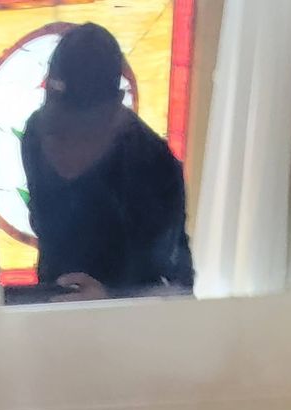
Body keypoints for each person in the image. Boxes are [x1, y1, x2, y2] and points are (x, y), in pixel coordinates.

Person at [19, 23, 194, 302]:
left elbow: (176, 284)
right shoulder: (36, 134)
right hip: (54, 307)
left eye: (83, 125)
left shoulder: (152, 163)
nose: (67, 137)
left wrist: (109, 298)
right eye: (60, 123)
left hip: (128, 324)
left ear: (116, 105)